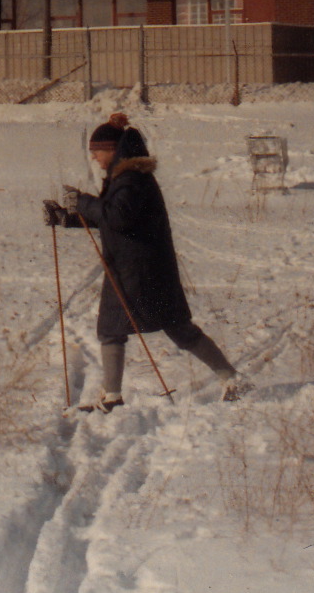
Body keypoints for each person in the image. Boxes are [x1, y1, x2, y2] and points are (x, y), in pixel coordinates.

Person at [60, 116, 243, 409]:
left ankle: (114, 397)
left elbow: (118, 217)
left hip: (139, 271)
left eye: (97, 151)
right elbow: (113, 218)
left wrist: (82, 202)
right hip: (139, 269)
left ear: (113, 150)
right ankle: (113, 396)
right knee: (155, 328)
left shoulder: (132, 180)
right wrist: (67, 217)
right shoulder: (127, 178)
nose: (93, 157)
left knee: (136, 329)